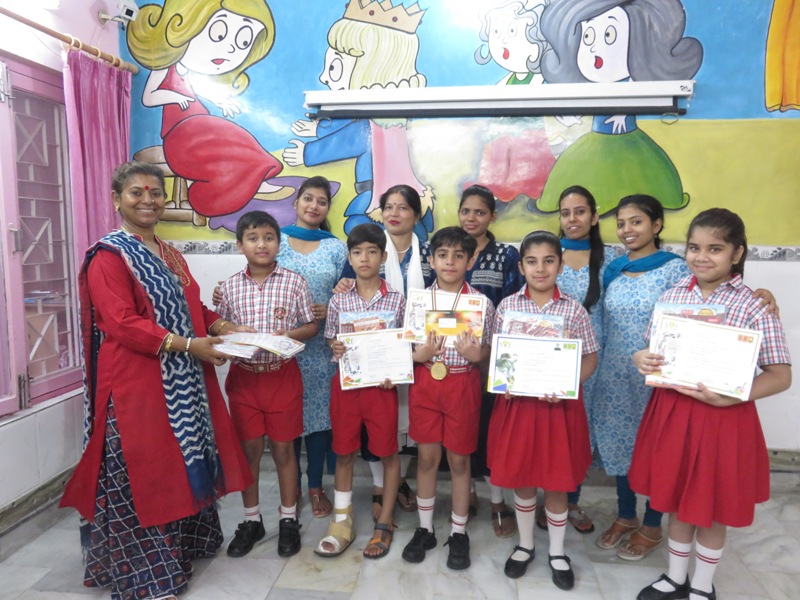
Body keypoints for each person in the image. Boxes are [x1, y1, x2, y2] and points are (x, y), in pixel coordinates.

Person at [60, 161, 252, 600]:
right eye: (136, 193)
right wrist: (189, 345)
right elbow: (121, 323)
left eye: (155, 193)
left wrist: (225, 327)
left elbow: (191, 306)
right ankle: (146, 575)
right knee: (146, 472)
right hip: (135, 385)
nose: (147, 200)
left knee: (178, 462)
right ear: (117, 200)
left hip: (180, 379)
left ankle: (187, 546)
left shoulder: (168, 253)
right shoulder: (109, 256)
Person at [593, 195, 778, 561]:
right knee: (621, 444)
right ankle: (627, 514)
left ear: (657, 225)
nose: (627, 229)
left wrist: (763, 293)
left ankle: (652, 524)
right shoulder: (612, 268)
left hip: (669, 381)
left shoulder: (677, 271)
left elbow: (716, 298)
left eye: (636, 221)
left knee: (663, 455)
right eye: (621, 223)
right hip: (619, 370)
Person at [629, 208, 791, 600]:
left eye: (714, 249)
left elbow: (780, 375)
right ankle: (675, 578)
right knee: (676, 498)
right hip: (672, 413)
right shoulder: (672, 297)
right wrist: (641, 357)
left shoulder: (753, 306)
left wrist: (733, 394)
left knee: (712, 505)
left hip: (724, 418)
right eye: (694, 247)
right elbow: (652, 350)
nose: (701, 257)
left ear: (737, 253)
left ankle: (702, 587)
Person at [487, 230, 599, 590]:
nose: (540, 269)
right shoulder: (507, 307)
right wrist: (503, 379)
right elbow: (497, 355)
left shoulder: (574, 309)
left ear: (560, 265)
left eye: (548, 261)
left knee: (555, 481)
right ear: (521, 267)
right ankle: (525, 545)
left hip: (557, 410)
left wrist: (568, 383)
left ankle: (557, 551)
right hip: (518, 407)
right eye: (532, 262)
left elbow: (590, 357)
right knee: (522, 478)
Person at [217, 211, 318, 558]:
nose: (261, 244)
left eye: (269, 238)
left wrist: (289, 333)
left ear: (279, 244)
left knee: (284, 450)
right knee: (249, 452)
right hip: (244, 380)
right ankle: (251, 520)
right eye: (253, 238)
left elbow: (311, 326)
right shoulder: (229, 287)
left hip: (282, 377)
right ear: (240, 245)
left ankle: (288, 518)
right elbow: (221, 327)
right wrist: (229, 338)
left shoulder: (295, 283)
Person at [127, 0, 284, 218]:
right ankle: (253, 177)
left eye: (243, 41)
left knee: (232, 134)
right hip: (180, 138)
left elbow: (202, 92)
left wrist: (220, 101)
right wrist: (175, 97)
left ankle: (258, 173)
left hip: (199, 128)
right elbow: (149, 97)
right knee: (222, 133)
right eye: (219, 33)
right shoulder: (166, 65)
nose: (230, 48)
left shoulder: (190, 75)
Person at [337, 184, 434, 520]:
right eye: (389, 206)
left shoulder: (430, 254)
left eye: (403, 207)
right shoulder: (367, 250)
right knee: (381, 420)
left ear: (416, 215)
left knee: (406, 418)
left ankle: (400, 482)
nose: (394, 213)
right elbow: (347, 299)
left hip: (419, 350)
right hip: (376, 361)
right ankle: (381, 485)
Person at [401, 227, 495, 571]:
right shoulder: (418, 301)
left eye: (458, 256)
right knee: (427, 459)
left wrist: (478, 355)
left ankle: (458, 532)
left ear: (470, 261)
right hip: (427, 381)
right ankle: (425, 529)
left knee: (459, 461)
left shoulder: (481, 304)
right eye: (442, 255)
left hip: (462, 384)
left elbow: (489, 350)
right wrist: (419, 354)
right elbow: (406, 349)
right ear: (432, 260)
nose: (450, 262)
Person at [315, 223, 407, 559]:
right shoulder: (339, 299)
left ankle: (384, 521)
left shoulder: (397, 300)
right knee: (344, 452)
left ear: (383, 257)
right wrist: (335, 347)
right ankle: (342, 521)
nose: (364, 258)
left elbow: (404, 343)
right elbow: (331, 337)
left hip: (381, 389)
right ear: (350, 258)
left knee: (388, 452)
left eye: (371, 251)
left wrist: (395, 370)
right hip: (348, 386)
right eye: (357, 252)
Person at [537, 185, 620, 534]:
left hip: (593, 361)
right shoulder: (547, 254)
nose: (572, 219)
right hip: (546, 363)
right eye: (566, 213)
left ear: (594, 216)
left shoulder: (612, 259)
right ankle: (547, 499)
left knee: (578, 434)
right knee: (550, 432)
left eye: (580, 211)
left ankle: (570, 502)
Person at [457, 184, 523, 537]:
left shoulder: (506, 256)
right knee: (459, 433)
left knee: (488, 432)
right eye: (466, 211)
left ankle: (498, 501)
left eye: (480, 212)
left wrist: (492, 361)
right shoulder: (447, 247)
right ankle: (466, 493)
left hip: (490, 361)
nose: (472, 218)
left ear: (492, 217)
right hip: (448, 362)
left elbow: (513, 307)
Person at [281, 176, 348, 519]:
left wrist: (330, 306)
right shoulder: (275, 240)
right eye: (308, 198)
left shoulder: (336, 247)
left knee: (320, 419)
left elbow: (346, 294)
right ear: (296, 203)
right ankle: (290, 484)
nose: (314, 206)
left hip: (321, 347)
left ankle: (316, 485)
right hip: (283, 346)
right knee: (288, 416)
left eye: (322, 201)